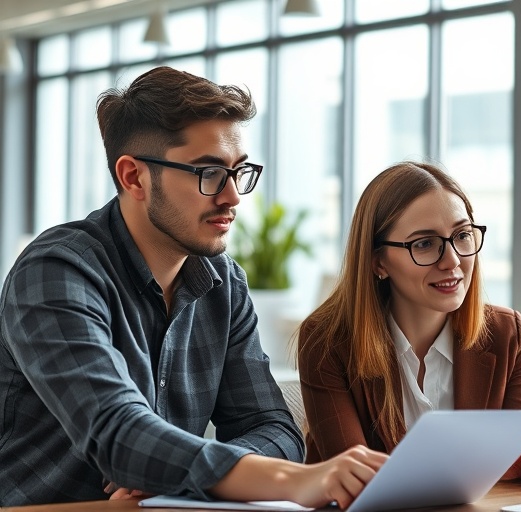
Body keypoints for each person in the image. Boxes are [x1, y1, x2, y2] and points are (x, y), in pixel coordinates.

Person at [0, 66, 386, 508]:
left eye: (238, 172)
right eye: (208, 173)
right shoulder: (56, 271)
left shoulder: (223, 282)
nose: (232, 197)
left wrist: (181, 476)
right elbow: (117, 435)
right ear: (134, 177)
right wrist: (283, 480)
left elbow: (275, 429)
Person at [297, 160, 521, 485]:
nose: (452, 261)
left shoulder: (505, 333)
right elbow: (353, 479)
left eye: (462, 235)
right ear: (378, 262)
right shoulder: (327, 339)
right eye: (424, 244)